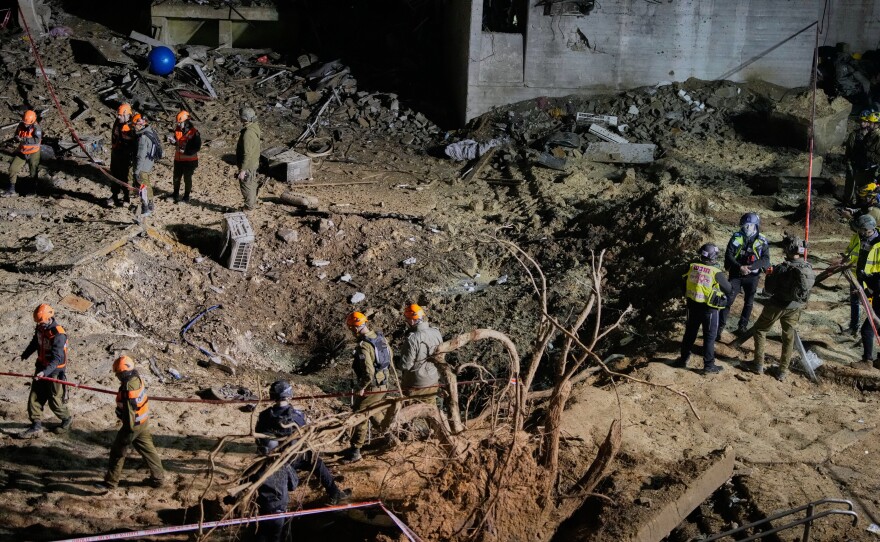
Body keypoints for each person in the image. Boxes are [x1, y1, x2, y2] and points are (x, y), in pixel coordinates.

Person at [254, 380, 350, 504]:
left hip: (272, 460)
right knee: (316, 462)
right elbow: (304, 432)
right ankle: (334, 493)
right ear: (289, 395)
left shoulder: (264, 416)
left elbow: (259, 439)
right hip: (294, 457)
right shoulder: (297, 415)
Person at [740, 234, 815, 381]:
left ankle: (758, 364)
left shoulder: (782, 268)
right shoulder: (807, 267)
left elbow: (768, 291)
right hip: (795, 307)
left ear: (787, 250)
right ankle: (782, 371)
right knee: (788, 337)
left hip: (777, 305)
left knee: (761, 330)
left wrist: (770, 275)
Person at [95, 356, 165, 490]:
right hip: (143, 421)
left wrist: (127, 431)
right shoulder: (137, 377)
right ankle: (158, 479)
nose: (116, 376)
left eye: (117, 374)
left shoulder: (128, 388)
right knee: (149, 451)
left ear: (122, 373)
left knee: (117, 453)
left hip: (132, 426)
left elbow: (129, 413)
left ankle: (110, 483)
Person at [340, 312, 395, 464]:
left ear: (355, 328)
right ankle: (390, 436)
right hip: (383, 383)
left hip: (372, 386)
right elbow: (390, 356)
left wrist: (361, 387)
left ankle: (355, 450)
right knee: (373, 410)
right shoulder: (380, 338)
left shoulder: (364, 346)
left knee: (360, 413)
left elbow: (368, 373)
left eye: (351, 328)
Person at [675, 243, 732, 374]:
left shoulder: (691, 266)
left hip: (692, 306)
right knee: (709, 337)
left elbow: (682, 281)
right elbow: (728, 289)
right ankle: (709, 365)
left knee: (689, 334)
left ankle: (683, 360)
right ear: (714, 257)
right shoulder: (716, 272)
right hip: (709, 309)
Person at [19, 303, 72, 437]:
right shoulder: (41, 327)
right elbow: (35, 342)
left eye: (41, 322)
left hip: (54, 372)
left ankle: (66, 420)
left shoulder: (58, 334)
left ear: (49, 318)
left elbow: (57, 359)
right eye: (38, 323)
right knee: (35, 397)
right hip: (41, 367)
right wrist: (25, 354)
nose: (39, 325)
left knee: (55, 401)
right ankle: (36, 426)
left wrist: (45, 372)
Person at [717, 212, 770, 340]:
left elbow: (765, 260)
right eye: (744, 225)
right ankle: (719, 328)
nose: (745, 227)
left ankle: (742, 326)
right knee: (728, 300)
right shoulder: (736, 237)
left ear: (755, 225)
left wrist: (750, 267)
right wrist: (740, 267)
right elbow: (729, 254)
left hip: (752, 276)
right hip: (736, 274)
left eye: (748, 225)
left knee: (749, 302)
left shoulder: (762, 240)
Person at [399, 304, 443, 402]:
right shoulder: (436, 332)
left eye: (407, 319)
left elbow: (405, 365)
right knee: (431, 410)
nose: (406, 321)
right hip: (433, 381)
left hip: (415, 384)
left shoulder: (412, 339)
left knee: (410, 413)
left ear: (412, 320)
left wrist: (398, 361)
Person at [854, 214, 880, 367]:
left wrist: (870, 287)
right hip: (872, 287)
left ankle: (867, 361)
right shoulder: (863, 240)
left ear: (868, 229)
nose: (859, 232)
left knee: (867, 329)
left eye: (861, 229)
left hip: (876, 287)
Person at [843, 111, 880, 205]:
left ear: (876, 124)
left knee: (868, 192)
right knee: (859, 190)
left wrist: (868, 154)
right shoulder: (868, 135)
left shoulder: (878, 138)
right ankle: (856, 205)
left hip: (872, 169)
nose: (867, 123)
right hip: (863, 167)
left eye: (870, 122)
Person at [4, 110, 42, 197]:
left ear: (32, 121)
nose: (26, 124)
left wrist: (23, 139)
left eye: (27, 123)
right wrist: (16, 138)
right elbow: (17, 134)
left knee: (33, 171)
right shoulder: (21, 125)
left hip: (34, 152)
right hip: (22, 151)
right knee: (12, 169)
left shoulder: (37, 128)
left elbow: (36, 140)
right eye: (25, 122)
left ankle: (33, 191)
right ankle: (11, 189)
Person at [132, 114, 162, 217]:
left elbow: (141, 156)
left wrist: (136, 171)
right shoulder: (150, 131)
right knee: (146, 183)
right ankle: (149, 204)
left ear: (140, 125)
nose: (134, 126)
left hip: (143, 165)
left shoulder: (143, 137)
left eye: (135, 124)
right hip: (149, 162)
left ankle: (147, 206)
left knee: (143, 184)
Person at [107, 103, 136, 207]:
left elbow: (135, 143)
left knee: (125, 177)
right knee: (114, 174)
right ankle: (114, 195)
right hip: (116, 153)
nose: (118, 117)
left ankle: (126, 198)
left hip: (126, 156)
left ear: (127, 115)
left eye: (120, 115)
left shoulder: (132, 126)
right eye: (118, 115)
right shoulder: (118, 122)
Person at [235, 106, 262, 211]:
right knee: (251, 183)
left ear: (244, 118)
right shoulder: (254, 127)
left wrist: (242, 170)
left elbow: (247, 154)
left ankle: (248, 207)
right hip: (253, 162)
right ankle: (251, 202)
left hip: (248, 164)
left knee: (246, 186)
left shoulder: (248, 134)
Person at [171, 110, 201, 203]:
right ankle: (175, 194)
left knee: (187, 179)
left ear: (186, 122)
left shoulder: (194, 132)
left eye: (180, 123)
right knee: (176, 177)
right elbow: (178, 141)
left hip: (189, 160)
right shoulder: (177, 130)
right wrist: (174, 142)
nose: (179, 124)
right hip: (178, 159)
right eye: (178, 123)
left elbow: (196, 147)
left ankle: (186, 196)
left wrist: (185, 151)